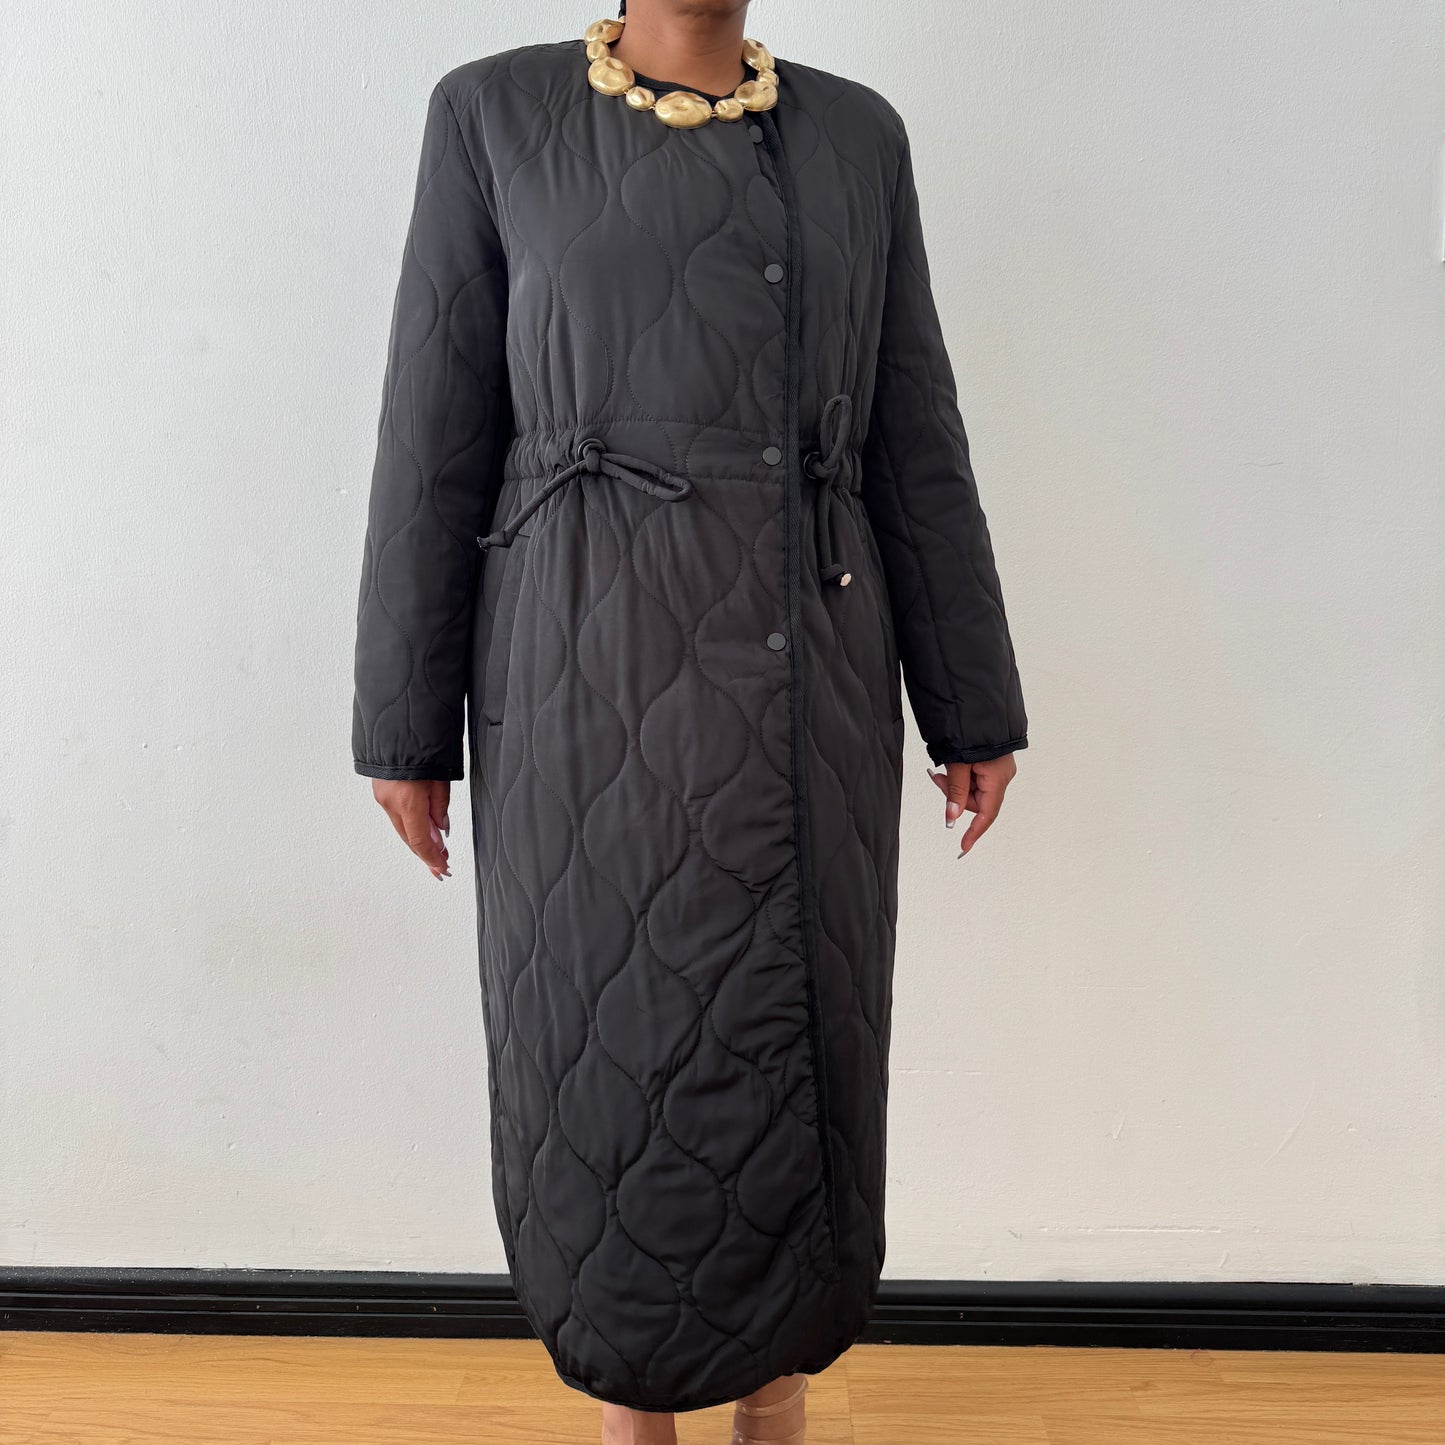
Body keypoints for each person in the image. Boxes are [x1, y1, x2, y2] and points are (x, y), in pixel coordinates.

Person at [350, 1, 1027, 1441]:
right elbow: (432, 426)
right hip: (574, 670)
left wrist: (969, 696)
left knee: (803, 1030)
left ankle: (776, 1397)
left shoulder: (856, 136)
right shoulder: (491, 115)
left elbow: (914, 428)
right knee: (598, 1037)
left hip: (810, 669)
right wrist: (403, 725)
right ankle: (628, 1406)